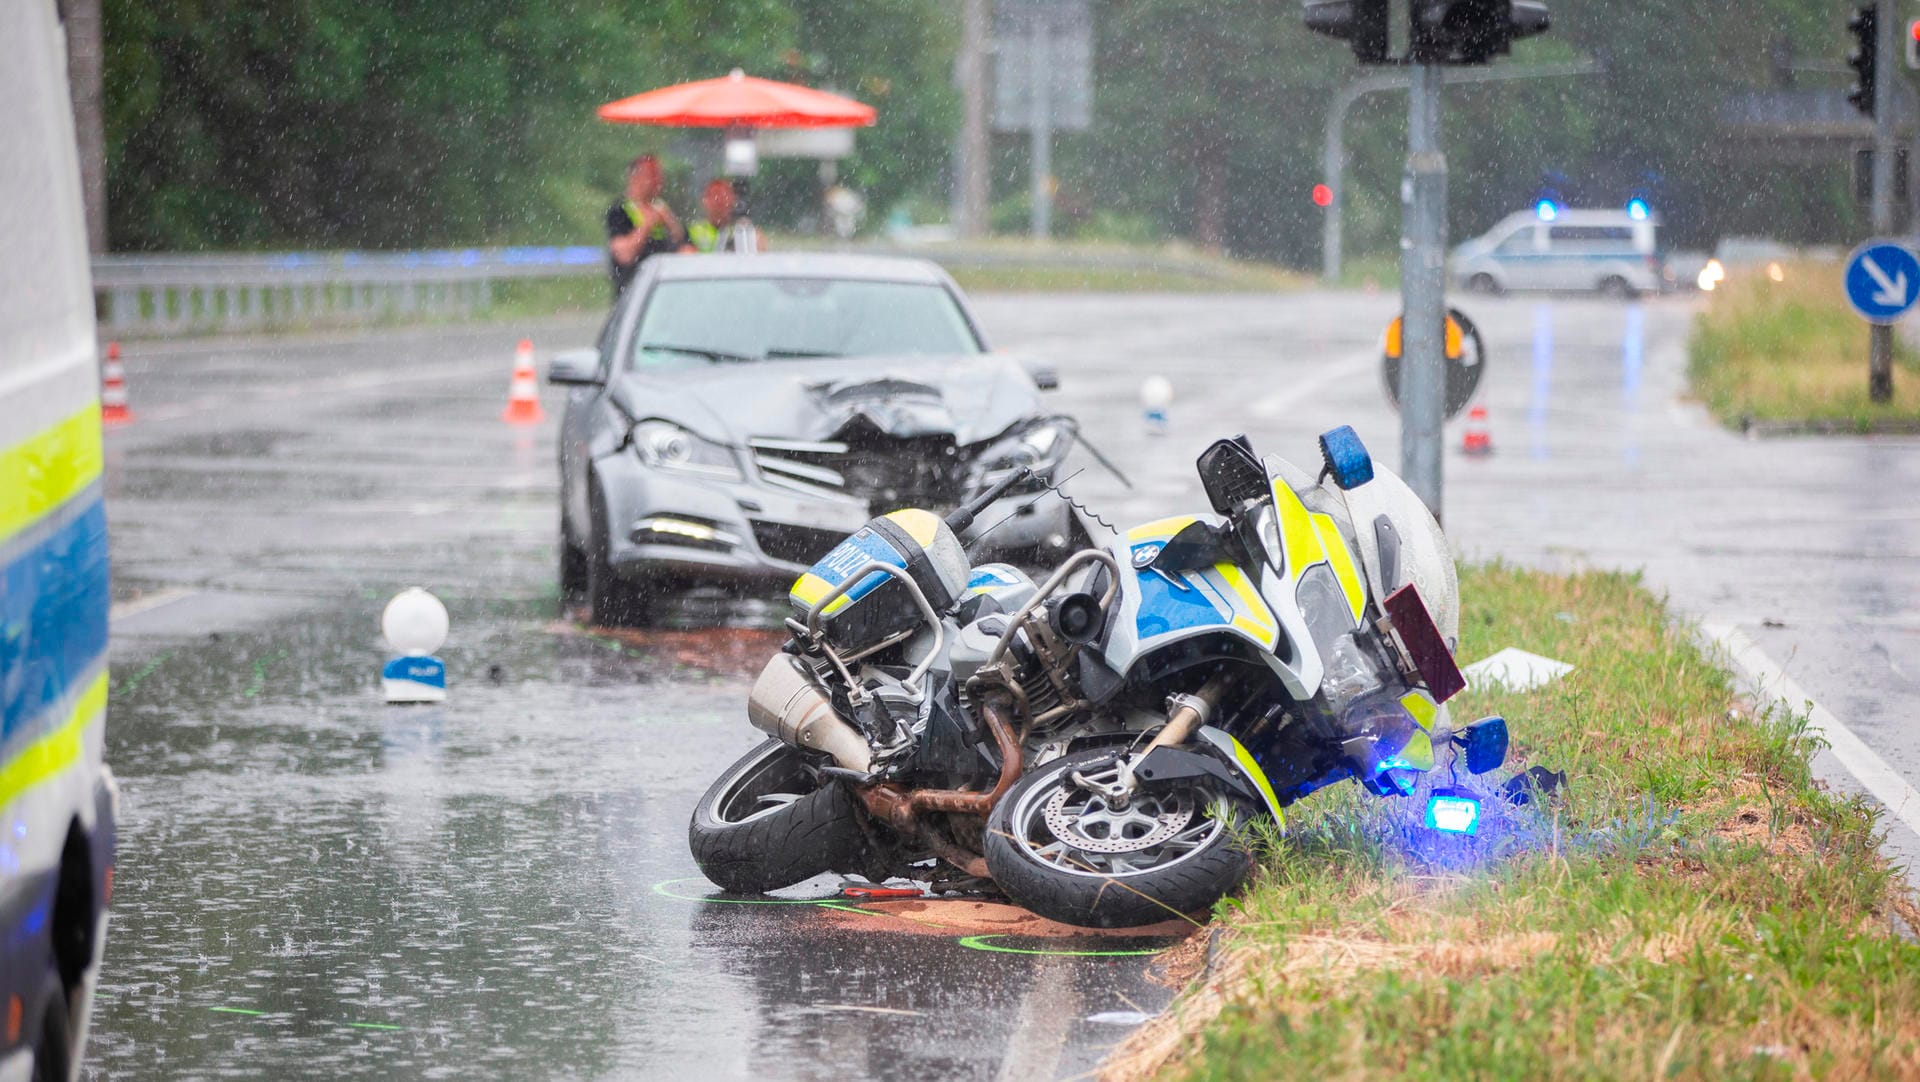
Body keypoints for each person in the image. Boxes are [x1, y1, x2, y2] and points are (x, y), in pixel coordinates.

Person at [606, 154, 684, 299]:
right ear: (634, 178)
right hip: (632, 293)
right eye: (652, 175)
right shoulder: (620, 210)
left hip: (664, 294)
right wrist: (647, 225)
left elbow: (681, 246)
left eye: (659, 175)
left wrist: (672, 225)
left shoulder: (663, 209)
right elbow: (624, 255)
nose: (658, 181)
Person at [683, 178, 764, 254]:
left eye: (724, 195)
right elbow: (686, 254)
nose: (719, 200)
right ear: (704, 201)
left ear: (733, 200)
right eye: (714, 194)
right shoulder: (692, 232)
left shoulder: (745, 231)